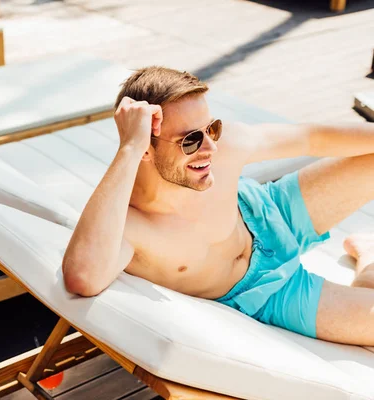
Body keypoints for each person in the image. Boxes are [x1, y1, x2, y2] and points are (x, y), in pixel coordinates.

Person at [62, 66, 374, 345]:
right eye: (190, 140)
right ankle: (367, 257)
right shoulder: (131, 224)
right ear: (144, 148)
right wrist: (129, 145)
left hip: (269, 211)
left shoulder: (222, 146)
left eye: (212, 129)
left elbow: (312, 138)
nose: (211, 147)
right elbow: (83, 277)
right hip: (269, 293)